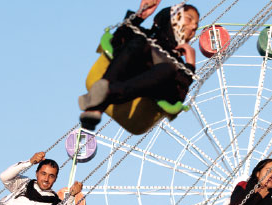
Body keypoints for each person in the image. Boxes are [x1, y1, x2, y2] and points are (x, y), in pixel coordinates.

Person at [79, 0, 200, 130]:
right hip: (126, 69)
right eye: (189, 19)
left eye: (196, 26)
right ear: (173, 17)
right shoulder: (144, 36)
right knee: (139, 41)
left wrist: (190, 66)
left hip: (148, 92)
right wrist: (139, 16)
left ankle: (102, 98)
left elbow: (176, 98)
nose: (193, 27)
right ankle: (98, 105)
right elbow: (116, 41)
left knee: (168, 68)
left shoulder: (177, 66)